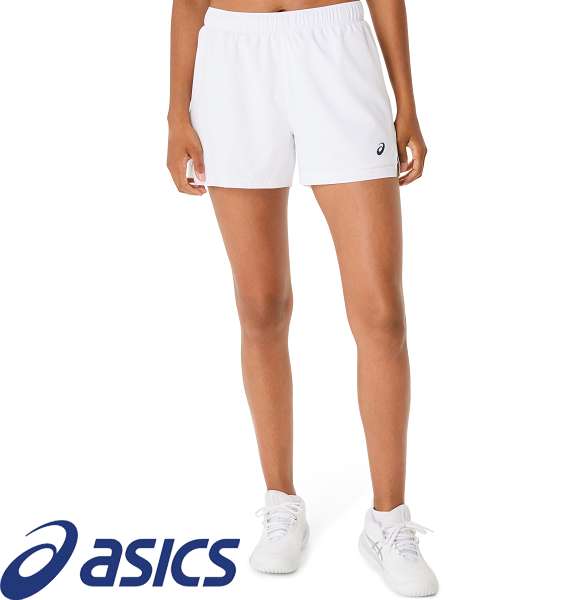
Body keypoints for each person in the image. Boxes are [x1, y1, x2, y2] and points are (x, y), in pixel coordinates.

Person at [167, 0, 438, 595]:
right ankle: (281, 501)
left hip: (335, 47)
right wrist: (176, 112)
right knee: (261, 306)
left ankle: (388, 520)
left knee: (381, 315)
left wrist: (407, 101)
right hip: (233, 58)